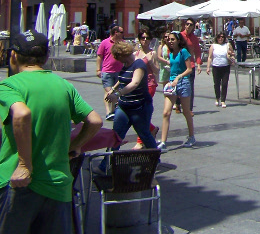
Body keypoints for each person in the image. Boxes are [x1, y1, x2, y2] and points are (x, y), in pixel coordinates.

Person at [0, 29, 102, 233]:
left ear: (13, 56)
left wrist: (24, 164)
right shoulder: (64, 86)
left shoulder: (9, 85)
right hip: (57, 184)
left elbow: (21, 114)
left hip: (18, 184)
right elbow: (95, 120)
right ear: (46, 57)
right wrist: (75, 145)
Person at [105, 41, 159, 151]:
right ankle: (106, 164)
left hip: (139, 107)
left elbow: (134, 82)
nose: (116, 59)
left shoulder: (138, 64)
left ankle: (155, 158)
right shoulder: (125, 65)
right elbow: (122, 80)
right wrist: (113, 89)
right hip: (124, 106)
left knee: (144, 134)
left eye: (117, 56)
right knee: (116, 135)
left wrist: (118, 94)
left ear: (122, 55)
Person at [157, 32, 196, 149]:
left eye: (172, 39)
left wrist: (179, 77)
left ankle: (191, 136)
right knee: (166, 112)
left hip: (183, 82)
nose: (170, 41)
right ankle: (163, 142)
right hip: (172, 83)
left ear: (178, 40)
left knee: (186, 111)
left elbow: (189, 69)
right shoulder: (171, 53)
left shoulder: (183, 52)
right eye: (168, 39)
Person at [96, 24, 124, 120]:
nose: (123, 34)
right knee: (109, 92)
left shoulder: (122, 43)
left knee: (115, 91)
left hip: (119, 71)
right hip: (107, 71)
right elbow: (99, 56)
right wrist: (98, 69)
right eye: (121, 32)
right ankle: (108, 112)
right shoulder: (105, 42)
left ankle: (112, 111)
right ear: (116, 33)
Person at [206, 32, 235, 108]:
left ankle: (223, 100)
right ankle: (217, 98)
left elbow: (233, 53)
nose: (221, 38)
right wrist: (208, 67)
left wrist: (230, 53)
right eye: (219, 37)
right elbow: (210, 57)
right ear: (217, 38)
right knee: (216, 83)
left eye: (222, 37)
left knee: (225, 84)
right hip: (216, 66)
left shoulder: (227, 45)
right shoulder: (213, 46)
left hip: (225, 66)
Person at [180, 19, 202, 112]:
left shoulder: (194, 38)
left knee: (190, 87)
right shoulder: (180, 36)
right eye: (187, 24)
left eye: (191, 24)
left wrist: (199, 64)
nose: (188, 26)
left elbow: (197, 51)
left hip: (190, 65)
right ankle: (178, 103)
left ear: (193, 27)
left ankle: (189, 109)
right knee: (178, 85)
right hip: (180, 65)